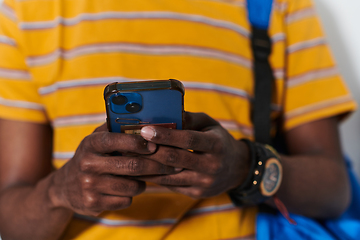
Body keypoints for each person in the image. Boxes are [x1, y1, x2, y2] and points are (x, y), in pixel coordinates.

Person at [0, 0, 356, 239]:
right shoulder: (26, 10)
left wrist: (245, 167)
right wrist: (59, 192)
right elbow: (10, 215)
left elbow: (333, 191)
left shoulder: (271, 5)